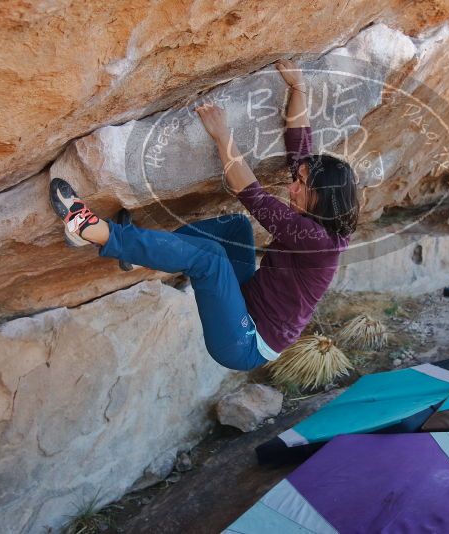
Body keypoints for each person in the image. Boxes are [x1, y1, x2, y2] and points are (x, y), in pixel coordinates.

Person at [48, 59, 359, 371]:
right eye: (298, 180)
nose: (292, 188)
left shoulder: (318, 242)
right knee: (235, 227)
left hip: (245, 342)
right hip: (246, 299)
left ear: (323, 196)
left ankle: (90, 229)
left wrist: (223, 136)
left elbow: (253, 195)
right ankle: (141, 254)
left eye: (301, 185)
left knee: (210, 258)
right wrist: (298, 87)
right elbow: (302, 153)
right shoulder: (321, 213)